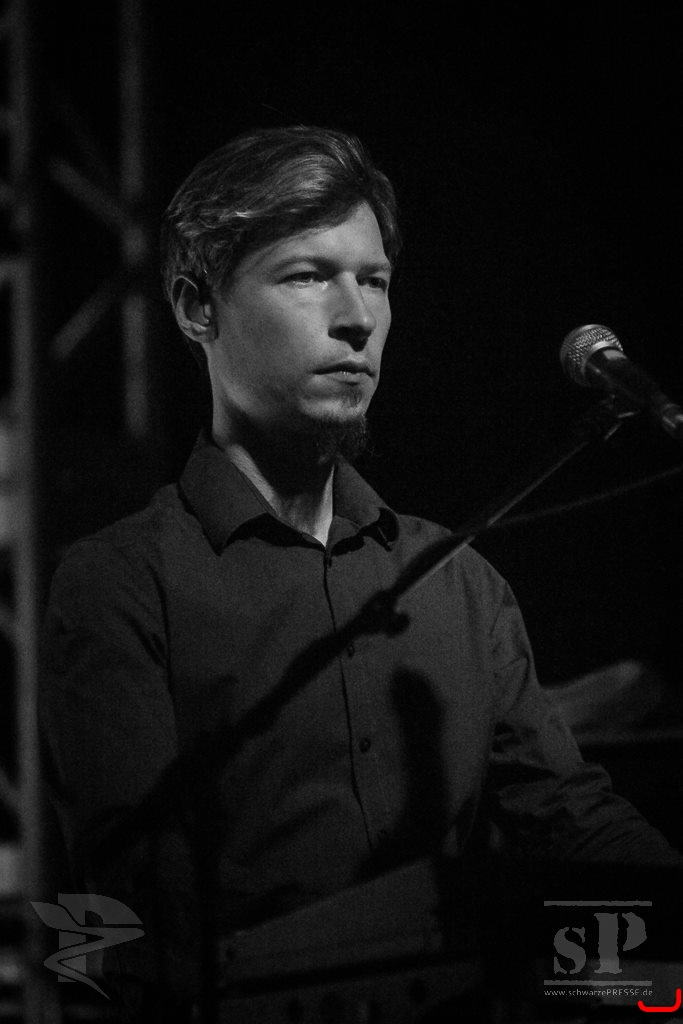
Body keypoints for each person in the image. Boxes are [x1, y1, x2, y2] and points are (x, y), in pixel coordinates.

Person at [39, 126, 681, 1022]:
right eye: (308, 276)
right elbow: (125, 906)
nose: (357, 317)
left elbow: (569, 818)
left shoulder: (458, 580)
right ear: (195, 308)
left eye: (374, 281)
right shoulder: (118, 584)